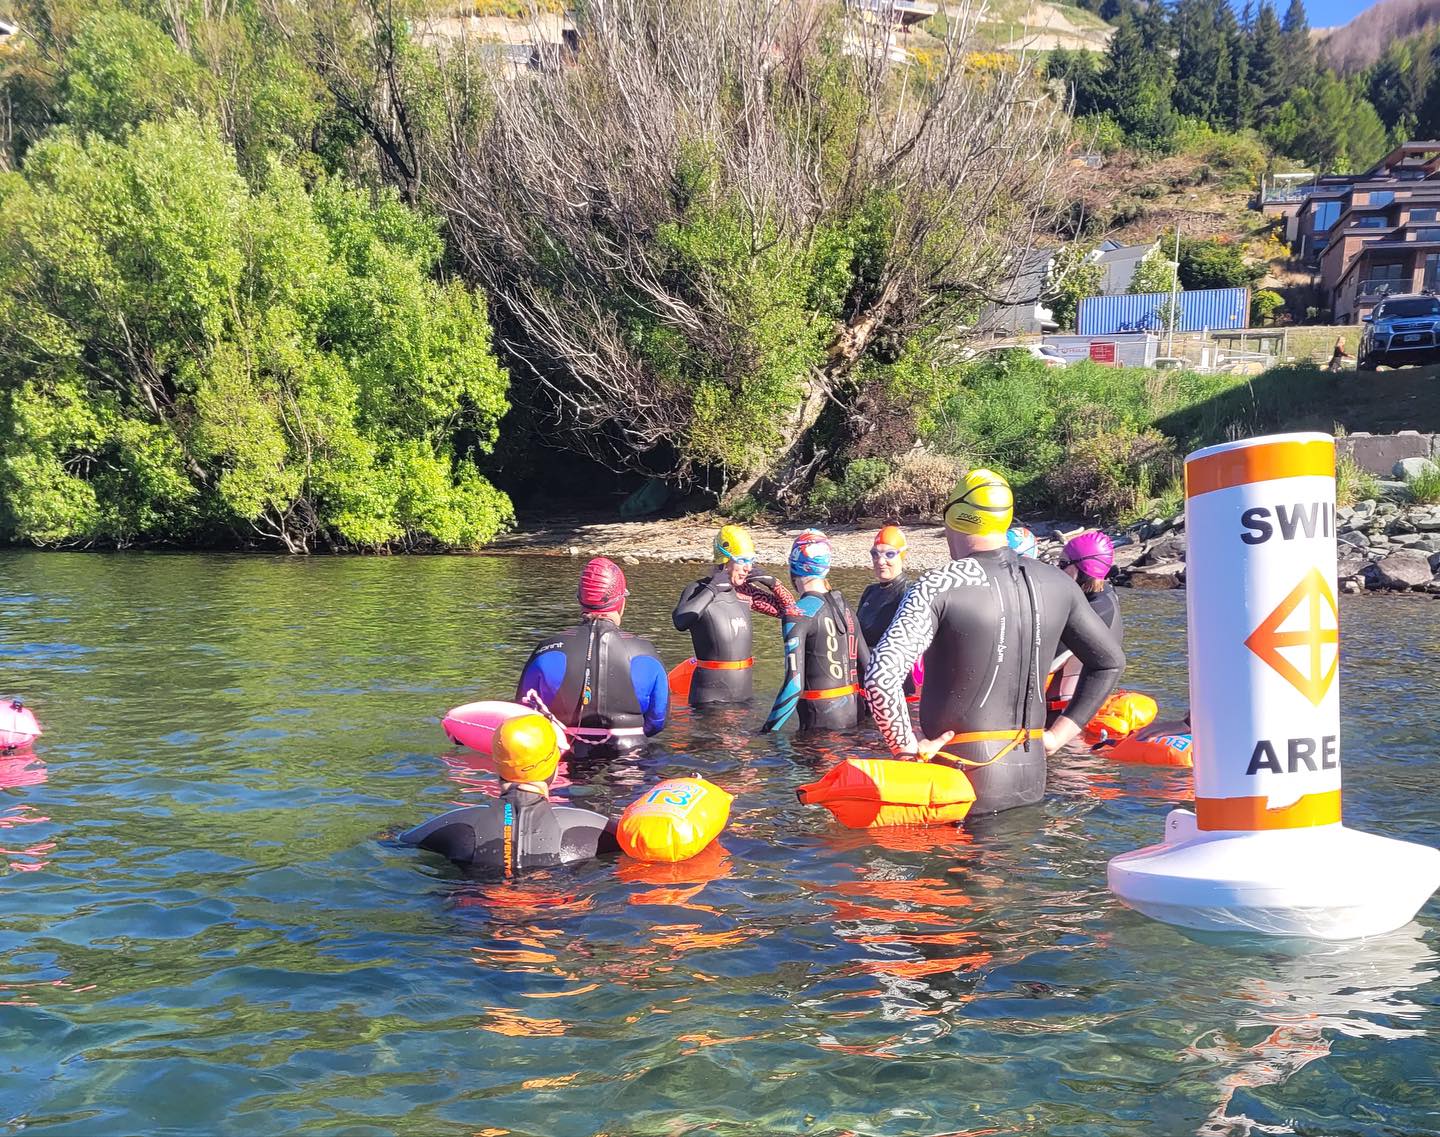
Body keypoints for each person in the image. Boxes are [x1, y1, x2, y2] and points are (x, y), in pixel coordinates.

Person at [864, 469, 1125, 815]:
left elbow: (881, 676)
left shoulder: (940, 583)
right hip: (1032, 774)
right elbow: (1109, 661)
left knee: (957, 869)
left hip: (960, 776)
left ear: (955, 517)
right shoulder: (1056, 581)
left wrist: (906, 749)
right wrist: (1057, 737)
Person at [401, 713, 618, 871]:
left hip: (477, 920)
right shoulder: (597, 829)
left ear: (496, 764)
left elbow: (391, 841)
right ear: (554, 764)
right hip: (554, 921)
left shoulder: (455, 825)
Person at [516, 557, 667, 759]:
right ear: (621, 602)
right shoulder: (646, 652)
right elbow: (657, 722)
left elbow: (523, 714)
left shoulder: (546, 650)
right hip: (631, 760)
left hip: (564, 757)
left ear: (580, 600)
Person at [761, 529, 869, 733]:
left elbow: (793, 687)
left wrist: (766, 733)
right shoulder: (844, 604)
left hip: (821, 727)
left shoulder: (798, 613)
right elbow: (869, 667)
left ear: (794, 567)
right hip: (856, 717)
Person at [671, 525, 759, 705]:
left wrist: (774, 585)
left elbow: (790, 613)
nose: (748, 568)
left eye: (751, 560)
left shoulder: (743, 594)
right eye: (742, 560)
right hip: (710, 700)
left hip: (744, 699)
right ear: (725, 559)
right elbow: (680, 621)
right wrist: (712, 589)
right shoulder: (698, 589)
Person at [1047, 530, 1125, 724]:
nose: (1057, 570)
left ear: (1080, 569)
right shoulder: (1103, 595)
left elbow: (1046, 663)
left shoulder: (1095, 611)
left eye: (1062, 564)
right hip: (1076, 710)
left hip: (1065, 720)